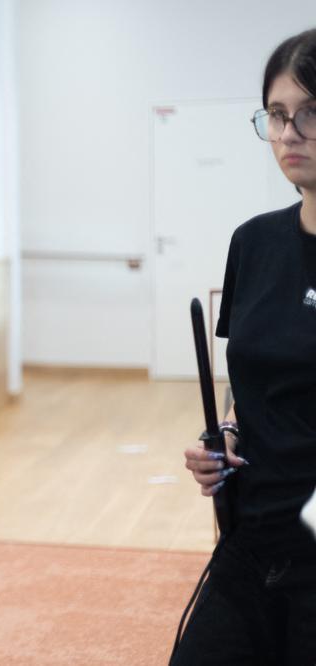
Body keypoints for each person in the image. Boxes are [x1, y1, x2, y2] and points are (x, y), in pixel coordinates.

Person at [174, 28, 316, 665]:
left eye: (311, 112)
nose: (289, 134)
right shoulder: (253, 243)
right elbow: (252, 376)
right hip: (249, 539)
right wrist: (227, 431)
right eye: (278, 115)